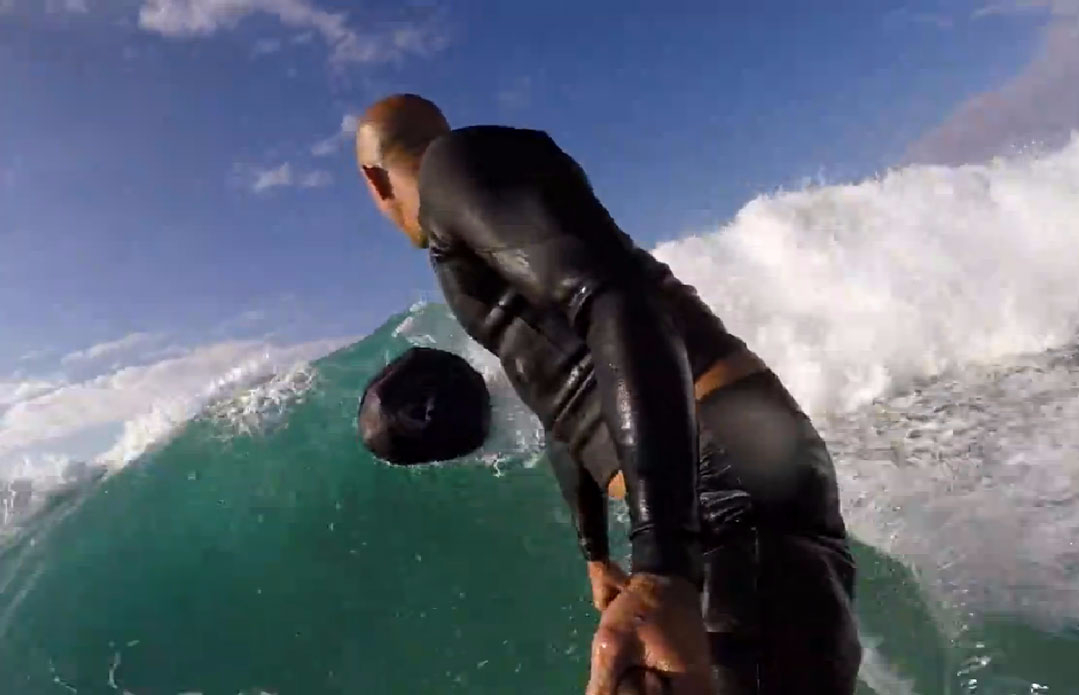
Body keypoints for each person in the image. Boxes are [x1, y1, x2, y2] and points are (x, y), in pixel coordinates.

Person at [353, 93, 862, 695]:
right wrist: (597, 551)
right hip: (725, 484)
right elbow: (561, 407)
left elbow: (619, 302)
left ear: (374, 182)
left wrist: (663, 569)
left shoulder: (455, 166)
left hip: (726, 483)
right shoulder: (474, 232)